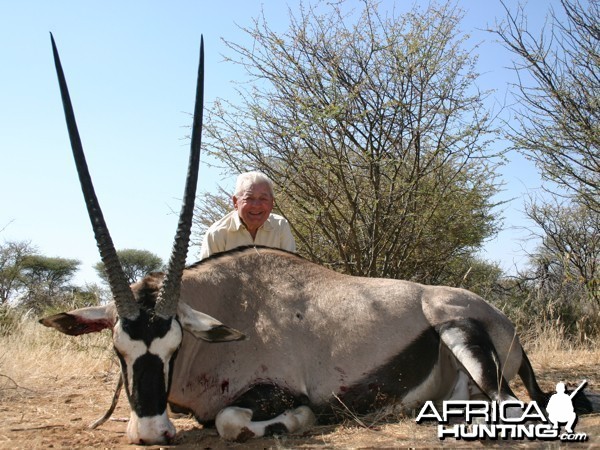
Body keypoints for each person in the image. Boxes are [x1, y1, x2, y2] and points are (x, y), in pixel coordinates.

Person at [199, 171, 296, 259]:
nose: (256, 205)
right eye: (249, 198)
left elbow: (292, 270)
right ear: (235, 202)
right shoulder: (217, 234)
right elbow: (207, 277)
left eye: (263, 199)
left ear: (272, 203)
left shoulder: (280, 226)